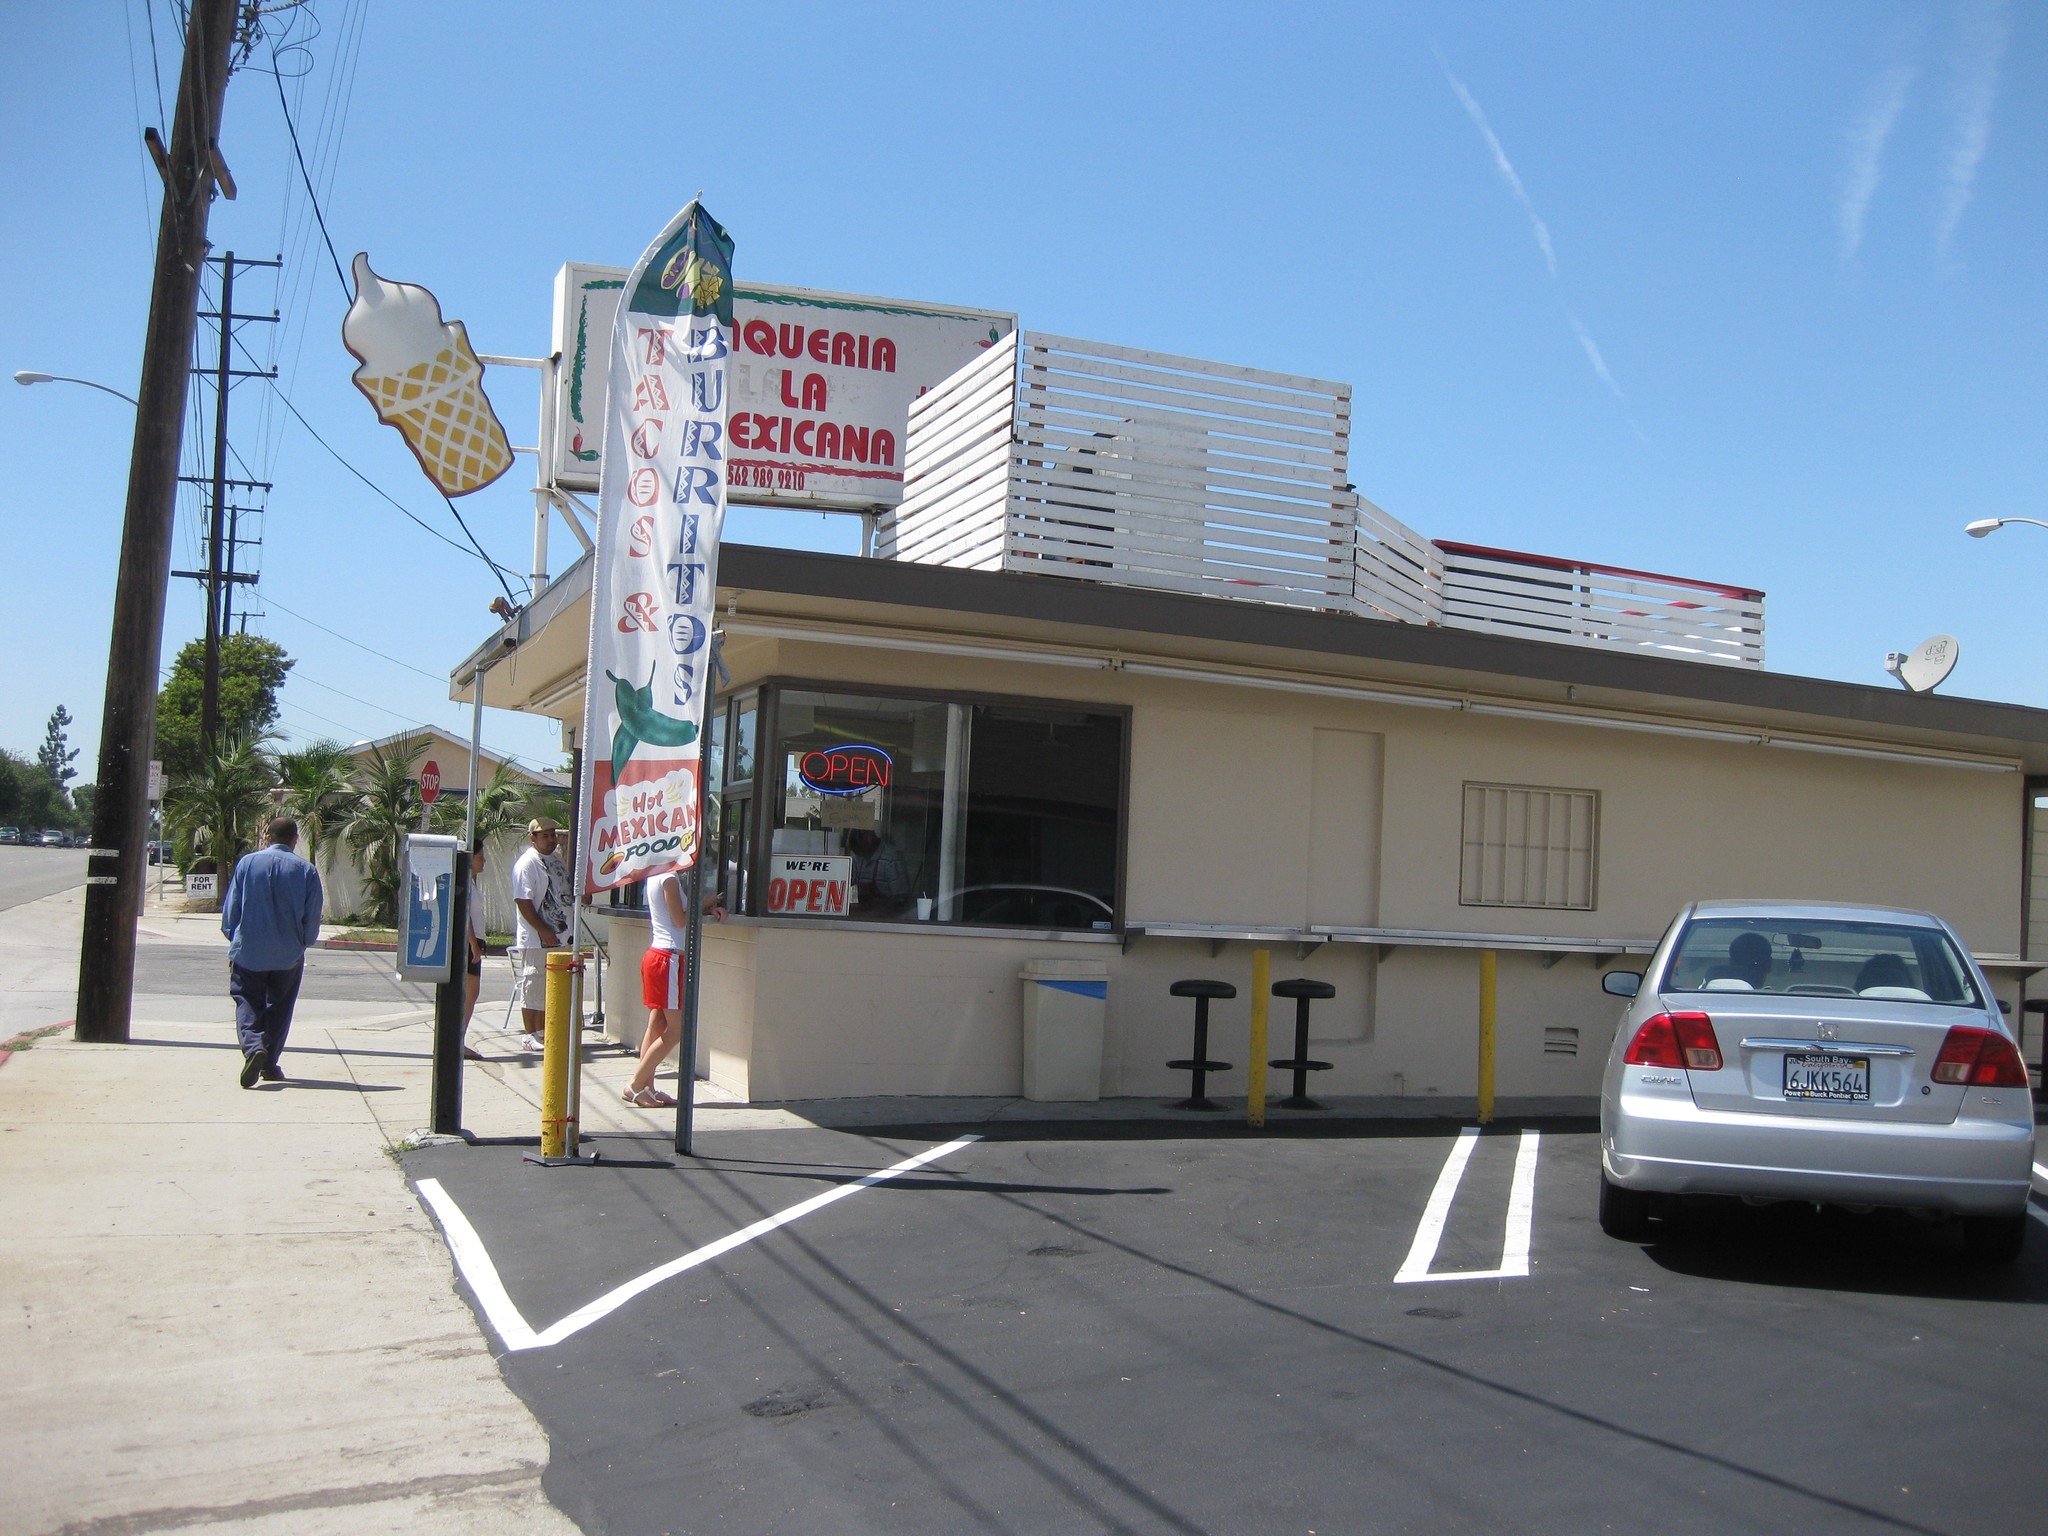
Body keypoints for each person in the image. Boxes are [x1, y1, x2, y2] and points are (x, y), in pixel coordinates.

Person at [220, 816, 325, 1088]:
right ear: (294, 840)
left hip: (249, 951)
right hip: (287, 955)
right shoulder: (307, 871)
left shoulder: (248, 863)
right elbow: (312, 919)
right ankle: (269, 1063)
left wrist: (234, 938)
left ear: (268, 837)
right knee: (279, 1008)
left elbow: (232, 910)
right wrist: (303, 943)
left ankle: (254, 1047)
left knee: (246, 1001)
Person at [624, 864, 724, 1109]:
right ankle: (636, 1085)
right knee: (676, 1030)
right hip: (667, 958)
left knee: (657, 1024)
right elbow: (679, 919)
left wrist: (706, 908)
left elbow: (676, 916)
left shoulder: (656, 875)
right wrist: (705, 904)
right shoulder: (668, 878)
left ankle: (646, 1087)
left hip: (662, 955)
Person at [510, 817, 571, 1052]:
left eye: (553, 834)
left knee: (550, 986)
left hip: (560, 935)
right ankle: (529, 1033)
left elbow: (563, 890)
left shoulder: (556, 860)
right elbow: (522, 901)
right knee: (533, 983)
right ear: (533, 838)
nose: (551, 839)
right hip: (537, 938)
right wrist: (543, 929)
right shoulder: (527, 863)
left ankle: (545, 1031)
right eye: (545, 835)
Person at [459, 839, 488, 1060]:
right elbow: (465, 914)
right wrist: (473, 944)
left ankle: (459, 1038)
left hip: (475, 941)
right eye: (480, 856)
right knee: (469, 993)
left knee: (471, 993)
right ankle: (457, 1040)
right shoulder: (465, 884)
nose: (484, 860)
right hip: (470, 943)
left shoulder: (471, 881)